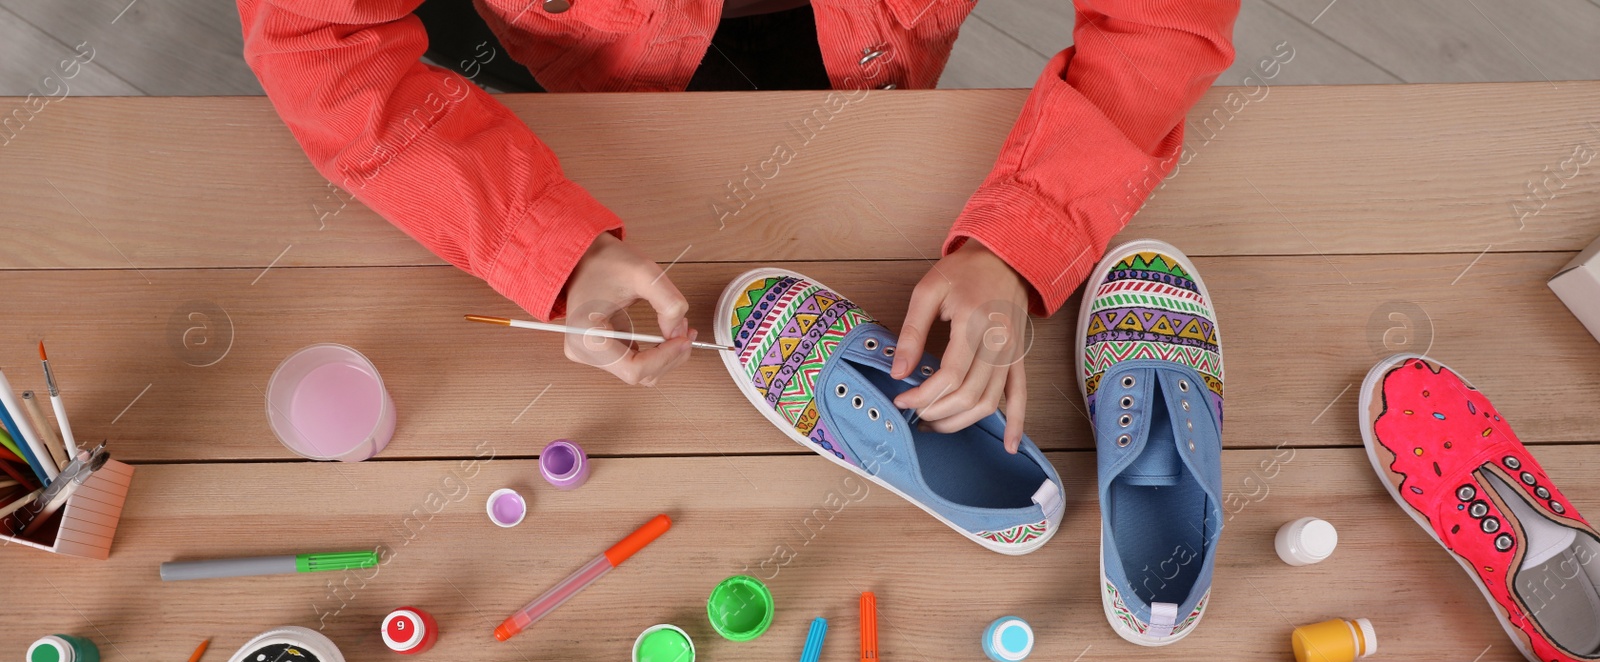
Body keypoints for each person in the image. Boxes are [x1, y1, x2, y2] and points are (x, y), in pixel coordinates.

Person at [237, 0, 1237, 451]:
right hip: (590, 88)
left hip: (865, 79)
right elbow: (315, 39)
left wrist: (1026, 235)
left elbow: (1160, 23)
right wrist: (542, 242)